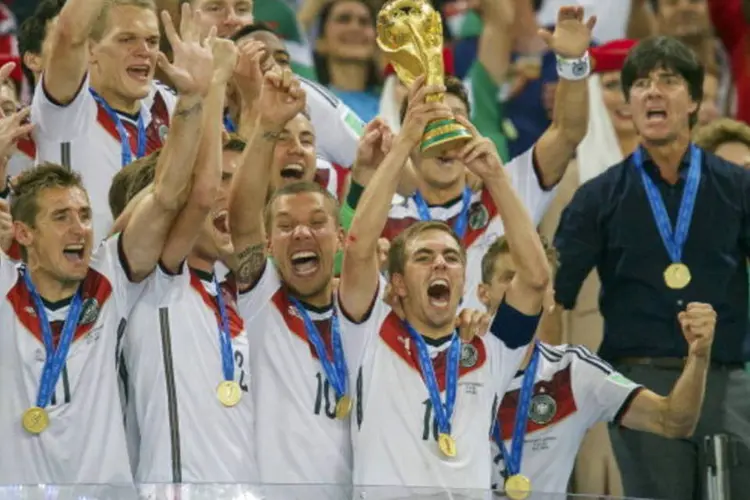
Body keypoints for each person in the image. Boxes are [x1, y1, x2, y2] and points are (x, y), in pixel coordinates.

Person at [0, 15, 213, 483]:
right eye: (61, 218)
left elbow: (166, 197)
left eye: (82, 215)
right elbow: (71, 33)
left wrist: (197, 97)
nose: (80, 229)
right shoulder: (4, 287)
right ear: (25, 234)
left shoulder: (108, 282)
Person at [554, 35, 750, 500]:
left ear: (696, 102)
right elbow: (554, 292)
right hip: (640, 383)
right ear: (629, 102)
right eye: (640, 84)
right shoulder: (597, 198)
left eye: (669, 81)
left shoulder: (737, 187)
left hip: (730, 379)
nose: (652, 92)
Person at [337, 74, 548, 496]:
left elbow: (536, 278)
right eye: (423, 257)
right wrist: (403, 144)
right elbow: (358, 248)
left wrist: (496, 178)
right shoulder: (366, 334)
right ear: (396, 283)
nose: (440, 264)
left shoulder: (490, 348)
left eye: (452, 258)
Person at [347, 5, 595, 311]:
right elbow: (350, 259)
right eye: (431, 123)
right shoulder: (387, 218)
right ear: (409, 139)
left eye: (457, 120)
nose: (446, 135)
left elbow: (568, 131)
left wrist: (572, 63)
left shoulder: (508, 188)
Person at [116, 38, 262, 486]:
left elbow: (252, 204)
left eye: (233, 184)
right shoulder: (156, 281)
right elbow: (196, 198)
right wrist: (212, 86)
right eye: (220, 180)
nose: (226, 197)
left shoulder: (239, 294)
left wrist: (258, 110)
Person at [478, 236, 716, 496]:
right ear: (483, 293)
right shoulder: (454, 367)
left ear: (549, 295)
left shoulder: (574, 371)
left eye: (534, 282)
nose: (520, 290)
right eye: (509, 278)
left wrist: (698, 357)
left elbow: (672, 421)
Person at [228, 57, 359, 495]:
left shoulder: (363, 317)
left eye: (316, 224)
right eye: (285, 226)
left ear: (339, 238)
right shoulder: (262, 299)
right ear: (267, 244)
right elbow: (243, 216)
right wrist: (266, 125)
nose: (301, 232)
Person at [31, 0, 182, 243]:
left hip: (158, 275)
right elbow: (69, 32)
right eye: (126, 39)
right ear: (90, 49)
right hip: (82, 274)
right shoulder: (65, 108)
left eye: (152, 41)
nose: (144, 51)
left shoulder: (166, 104)